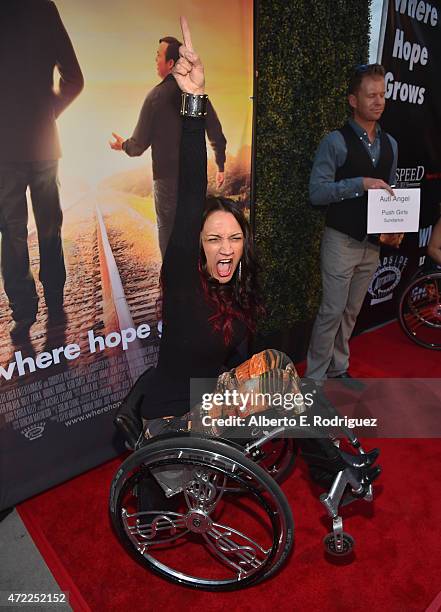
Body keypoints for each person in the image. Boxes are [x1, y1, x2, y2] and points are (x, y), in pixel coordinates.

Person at [115, 20, 381, 506]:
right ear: (196, 243)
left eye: (235, 238)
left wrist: (268, 392)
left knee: (279, 369)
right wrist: (195, 102)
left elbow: (240, 364)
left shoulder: (234, 288)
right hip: (175, 425)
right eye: (213, 238)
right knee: (282, 383)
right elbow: (192, 185)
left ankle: (335, 468)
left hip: (211, 403)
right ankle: (335, 472)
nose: (225, 248)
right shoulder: (180, 275)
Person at [305, 64, 398, 382]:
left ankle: (339, 368)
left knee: (350, 312)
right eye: (371, 95)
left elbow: (390, 193)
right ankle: (314, 382)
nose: (379, 101)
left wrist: (393, 225)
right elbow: (317, 193)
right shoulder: (335, 142)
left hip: (371, 245)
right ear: (352, 100)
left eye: (382, 94)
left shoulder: (392, 145)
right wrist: (359, 183)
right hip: (341, 241)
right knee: (331, 311)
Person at [0, 0, 84, 341]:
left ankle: (23, 311)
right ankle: (54, 297)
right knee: (50, 225)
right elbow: (75, 79)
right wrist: (49, 112)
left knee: (13, 231)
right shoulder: (44, 8)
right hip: (44, 143)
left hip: (4, 148)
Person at [110, 35, 226, 258]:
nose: (155, 60)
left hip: (166, 179)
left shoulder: (155, 97)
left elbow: (138, 146)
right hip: (194, 176)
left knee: (168, 230)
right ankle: (195, 281)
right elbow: (215, 131)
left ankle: (171, 282)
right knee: (194, 230)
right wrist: (220, 163)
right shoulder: (194, 93)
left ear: (170, 63)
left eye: (158, 56)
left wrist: (122, 145)